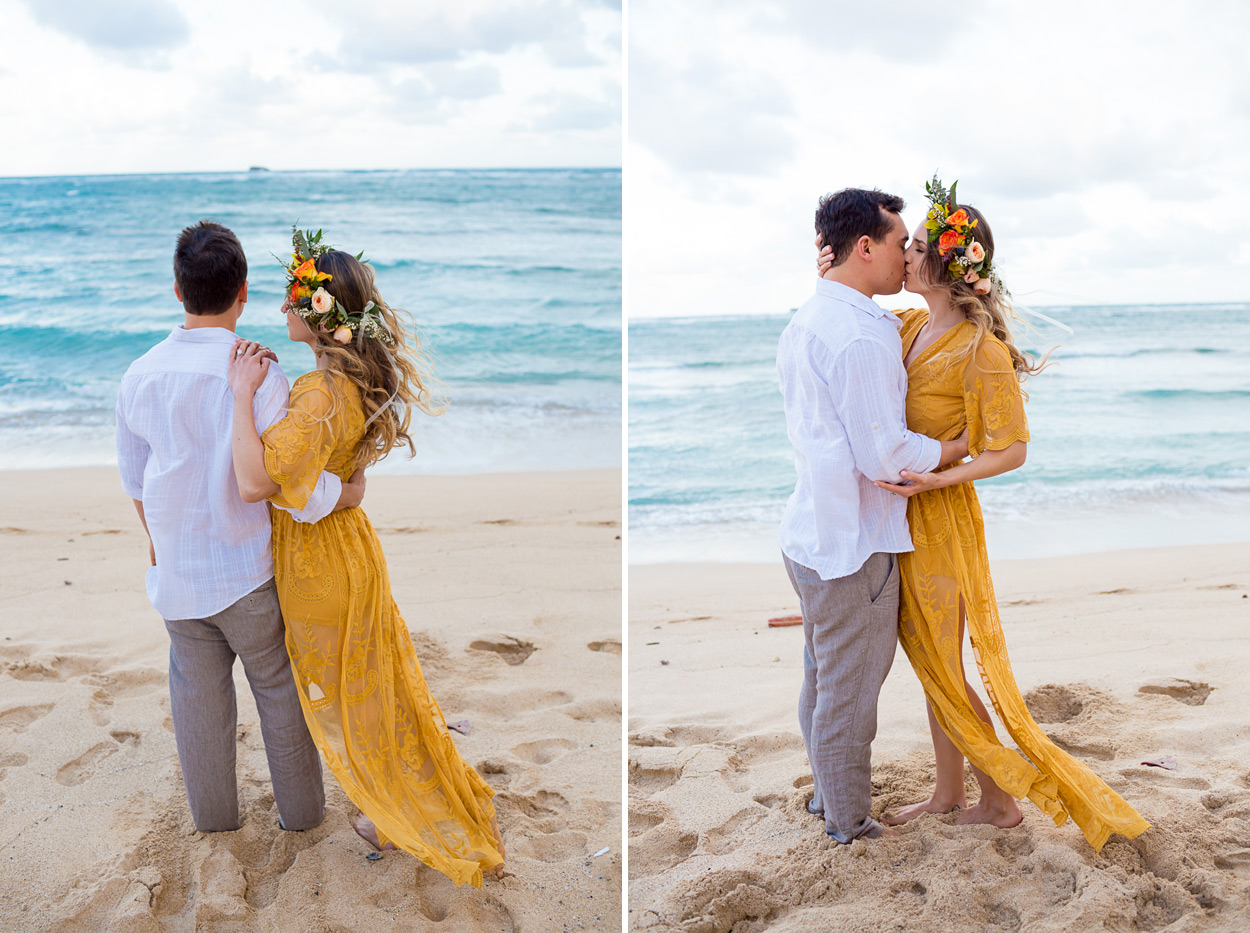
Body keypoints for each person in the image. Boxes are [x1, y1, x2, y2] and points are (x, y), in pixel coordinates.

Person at [819, 177, 1149, 850]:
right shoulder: (907, 323)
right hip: (902, 514)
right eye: (901, 244)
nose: (901, 255)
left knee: (945, 661)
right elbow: (849, 309)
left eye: (913, 246)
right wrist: (824, 272)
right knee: (930, 663)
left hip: (941, 521)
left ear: (944, 262)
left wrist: (941, 477)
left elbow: (1014, 450)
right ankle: (949, 791)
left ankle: (999, 801)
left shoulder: (981, 349)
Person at [225, 228, 505, 887]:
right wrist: (344, 491)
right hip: (352, 550)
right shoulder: (345, 382)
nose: (282, 307)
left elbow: (263, 481)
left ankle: (385, 813)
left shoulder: (319, 393)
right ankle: (391, 808)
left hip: (318, 564)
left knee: (345, 702)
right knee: (373, 693)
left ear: (319, 313)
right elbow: (325, 479)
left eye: (294, 295)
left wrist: (241, 394)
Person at [116, 221, 365, 835]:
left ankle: (216, 824)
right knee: (279, 695)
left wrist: (161, 552)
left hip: (178, 575)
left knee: (197, 701)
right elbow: (286, 486)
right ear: (244, 292)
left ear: (178, 290)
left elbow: (135, 483)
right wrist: (348, 493)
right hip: (248, 570)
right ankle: (303, 818)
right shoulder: (259, 372)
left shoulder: (138, 375)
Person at [777, 188, 969, 844]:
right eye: (898, 242)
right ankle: (848, 822)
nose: (906, 256)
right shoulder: (859, 334)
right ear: (865, 247)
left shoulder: (811, 316)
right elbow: (886, 456)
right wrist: (956, 446)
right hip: (851, 543)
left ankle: (826, 796)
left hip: (810, 532)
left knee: (824, 677)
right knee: (850, 697)